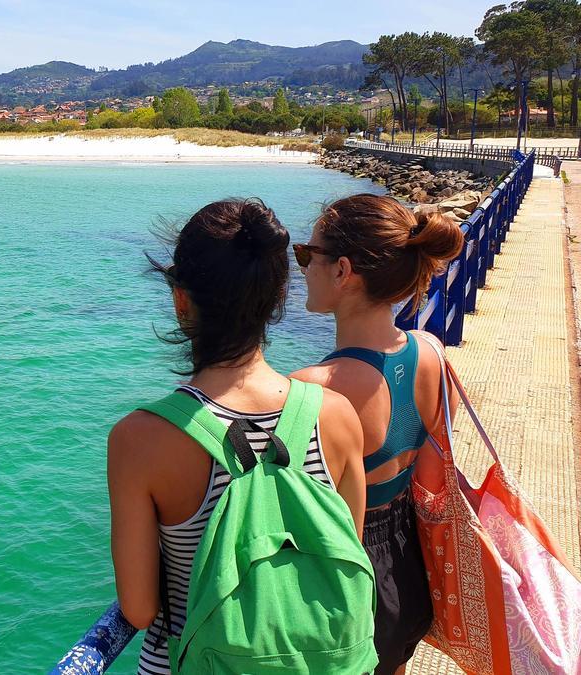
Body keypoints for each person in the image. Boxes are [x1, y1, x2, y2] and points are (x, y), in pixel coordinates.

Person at [107, 198, 368, 675]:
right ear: (277, 297)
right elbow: (344, 552)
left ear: (181, 300)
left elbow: (140, 609)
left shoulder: (140, 439)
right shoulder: (337, 415)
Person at [291, 194, 463, 675]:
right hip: (409, 566)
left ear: (343, 271)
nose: (302, 267)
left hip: (351, 574)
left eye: (308, 255)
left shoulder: (314, 389)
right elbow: (433, 471)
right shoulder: (430, 351)